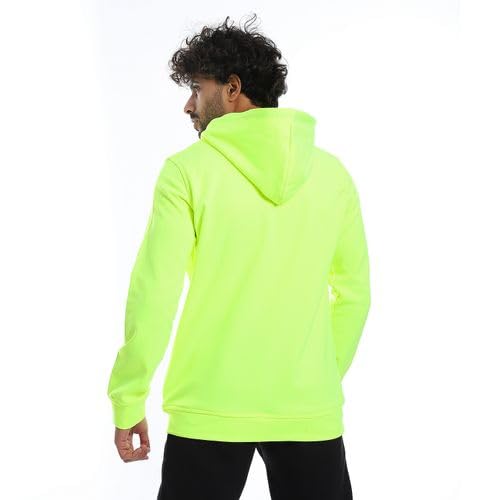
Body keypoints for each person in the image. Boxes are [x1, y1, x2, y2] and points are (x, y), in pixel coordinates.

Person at [107, 13, 371, 500]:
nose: (189, 104)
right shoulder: (332, 175)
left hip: (210, 405)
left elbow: (155, 293)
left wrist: (128, 398)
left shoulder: (187, 172)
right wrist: (311, 378)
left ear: (232, 89)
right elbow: (354, 294)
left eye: (197, 88)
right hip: (307, 411)